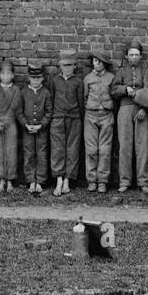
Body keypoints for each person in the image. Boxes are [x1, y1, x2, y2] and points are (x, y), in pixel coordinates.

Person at [112, 40, 148, 192]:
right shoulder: (121, 71)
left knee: (142, 146)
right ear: (126, 56)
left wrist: (144, 109)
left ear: (141, 56)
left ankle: (143, 182)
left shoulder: (147, 71)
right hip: (125, 109)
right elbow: (114, 90)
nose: (134, 57)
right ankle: (125, 181)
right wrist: (124, 89)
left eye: (137, 54)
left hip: (142, 110)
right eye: (131, 55)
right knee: (125, 146)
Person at [50, 50, 85, 196]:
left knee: (72, 150)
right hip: (57, 119)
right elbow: (51, 99)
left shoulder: (78, 81)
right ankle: (58, 180)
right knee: (58, 149)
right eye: (64, 65)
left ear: (75, 66)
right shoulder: (54, 80)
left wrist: (79, 118)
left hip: (74, 118)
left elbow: (81, 102)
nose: (67, 68)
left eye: (70, 65)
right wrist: (54, 116)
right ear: (60, 66)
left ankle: (67, 180)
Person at [82, 50, 116, 193]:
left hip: (106, 115)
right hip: (90, 115)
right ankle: (92, 180)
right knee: (91, 149)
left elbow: (115, 96)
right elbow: (83, 97)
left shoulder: (111, 78)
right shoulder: (87, 79)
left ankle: (102, 181)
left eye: (100, 62)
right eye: (95, 61)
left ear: (105, 64)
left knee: (105, 150)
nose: (97, 64)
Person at [21, 58, 53, 195]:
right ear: (29, 78)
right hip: (27, 129)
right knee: (29, 154)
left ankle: (40, 181)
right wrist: (25, 124)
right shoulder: (23, 92)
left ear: (43, 78)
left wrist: (42, 125)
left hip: (41, 130)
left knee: (42, 155)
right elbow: (19, 111)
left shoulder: (46, 93)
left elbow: (49, 111)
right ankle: (30, 181)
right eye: (33, 78)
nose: (35, 81)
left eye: (38, 78)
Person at [0, 60, 22, 193]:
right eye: (3, 73)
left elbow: (16, 107)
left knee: (11, 151)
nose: (6, 76)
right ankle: (0, 180)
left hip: (10, 123)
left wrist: (7, 120)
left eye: (9, 73)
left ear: (13, 75)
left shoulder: (16, 90)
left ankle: (9, 181)